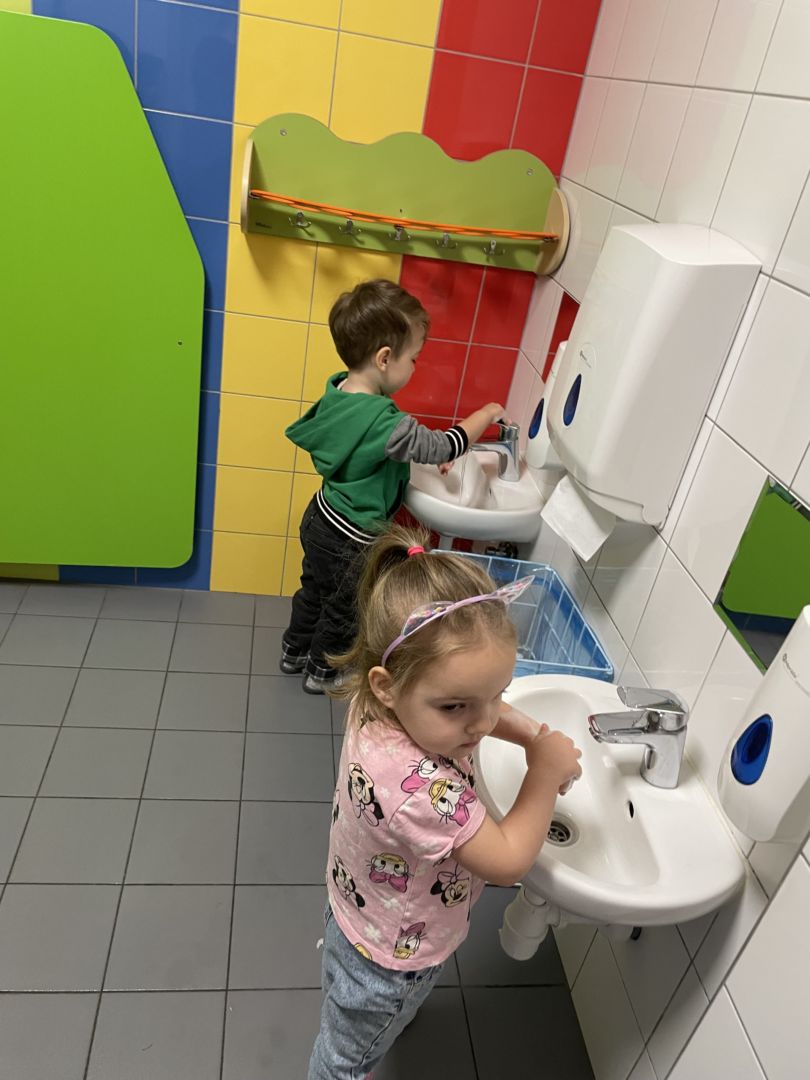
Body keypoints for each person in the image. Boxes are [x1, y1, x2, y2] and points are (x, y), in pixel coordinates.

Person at [308, 526, 583, 1079]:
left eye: (498, 694)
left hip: (357, 909)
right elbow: (508, 860)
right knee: (345, 1061)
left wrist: (530, 734)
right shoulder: (416, 791)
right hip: (391, 963)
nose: (482, 723)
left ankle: (381, 1020)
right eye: (456, 707)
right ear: (388, 684)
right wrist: (543, 772)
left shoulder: (377, 702)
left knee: (348, 1010)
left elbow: (472, 699)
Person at [281, 278, 506, 694]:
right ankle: (322, 672)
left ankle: (294, 650)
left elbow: (371, 448)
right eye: (414, 358)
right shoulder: (386, 423)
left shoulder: (338, 393)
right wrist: (487, 413)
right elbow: (445, 445)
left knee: (313, 590)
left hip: (320, 517)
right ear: (385, 358)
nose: (416, 367)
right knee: (346, 607)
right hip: (351, 537)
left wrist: (418, 453)